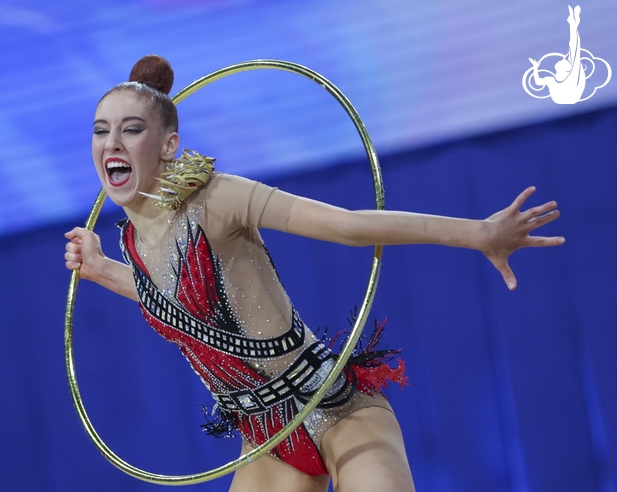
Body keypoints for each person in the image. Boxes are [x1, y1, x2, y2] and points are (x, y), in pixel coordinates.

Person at [64, 55, 564, 492]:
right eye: (101, 129)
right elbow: (176, 308)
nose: (113, 142)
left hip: (337, 406)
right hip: (267, 440)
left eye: (131, 129)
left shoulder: (216, 199)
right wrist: (105, 270)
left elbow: (348, 226)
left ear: (169, 144)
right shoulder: (132, 245)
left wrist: (477, 233)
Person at [529, 5, 585, 104]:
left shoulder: (571, 77)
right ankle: (573, 23)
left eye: (564, 61)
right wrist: (535, 67)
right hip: (565, 100)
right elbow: (538, 82)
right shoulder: (552, 80)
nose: (562, 59)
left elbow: (574, 48)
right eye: (564, 60)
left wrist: (573, 26)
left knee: (574, 50)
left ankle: (573, 23)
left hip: (569, 98)